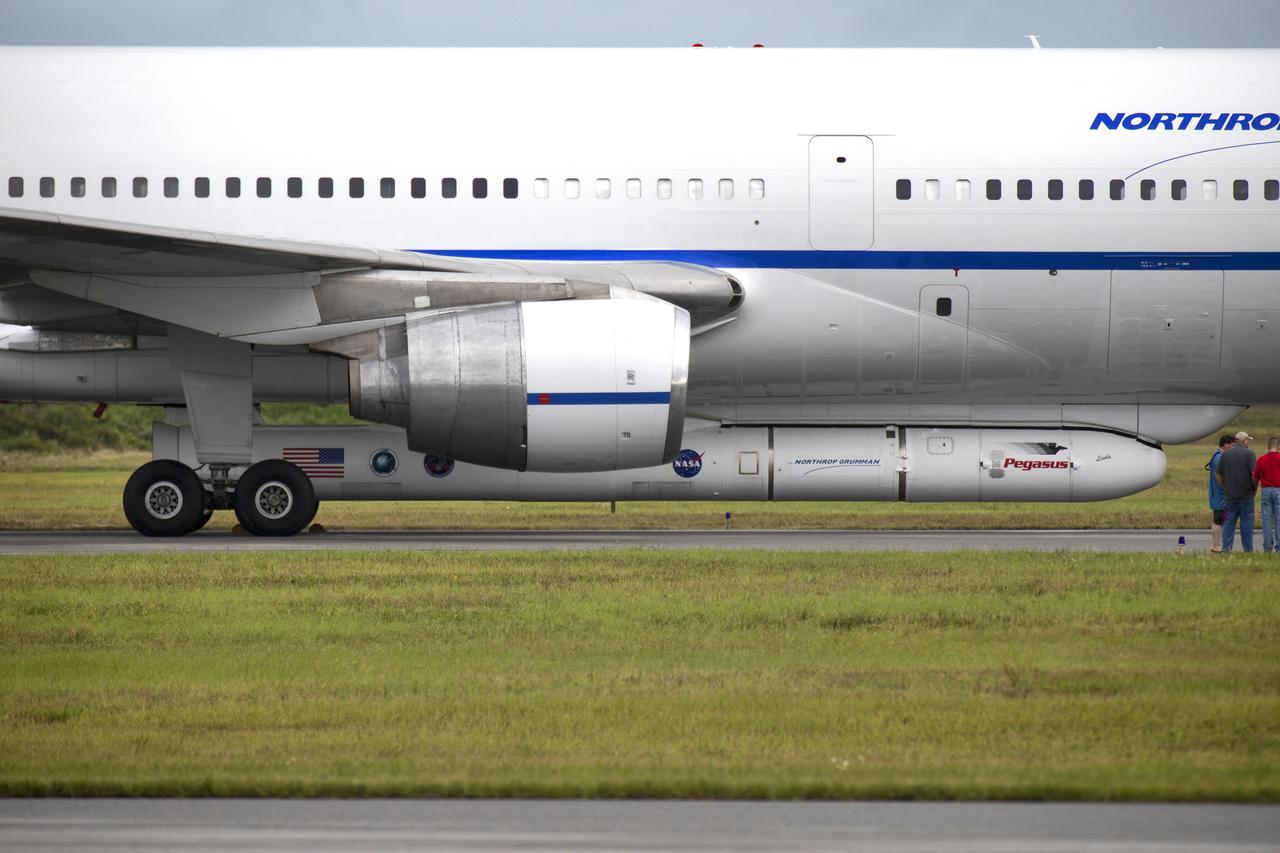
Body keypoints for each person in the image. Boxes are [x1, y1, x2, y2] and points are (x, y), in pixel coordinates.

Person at [1216, 431, 1257, 552]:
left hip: (1230, 496)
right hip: (1246, 495)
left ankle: (1227, 549)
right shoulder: (1250, 454)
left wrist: (1224, 487)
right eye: (1247, 440)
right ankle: (1248, 549)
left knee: (1228, 523)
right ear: (1244, 441)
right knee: (1247, 523)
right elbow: (1254, 474)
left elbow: (1217, 474)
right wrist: (1253, 488)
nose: (1248, 442)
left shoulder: (1225, 454)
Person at [1206, 434, 1234, 553]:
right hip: (1219, 495)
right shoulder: (1219, 458)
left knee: (1219, 520)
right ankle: (1216, 546)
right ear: (1226, 445)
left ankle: (1216, 546)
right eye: (1232, 445)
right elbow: (1221, 475)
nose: (1233, 448)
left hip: (1218, 494)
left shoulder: (1218, 456)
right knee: (1218, 520)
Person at [1254, 436, 1280, 553]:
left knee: (1267, 520)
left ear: (1268, 447)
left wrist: (1254, 489)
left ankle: (1267, 547)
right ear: (1278, 446)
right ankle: (1279, 547)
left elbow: (1256, 477)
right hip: (1278, 490)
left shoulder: (1261, 459)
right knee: (1279, 520)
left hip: (1266, 490)